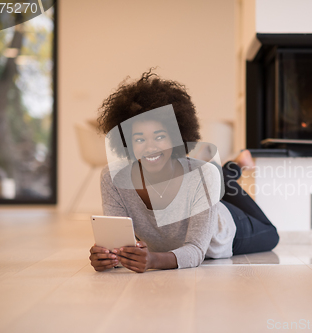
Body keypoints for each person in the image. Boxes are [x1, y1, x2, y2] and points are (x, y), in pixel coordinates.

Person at [89, 71, 279, 273]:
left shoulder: (203, 178)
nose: (150, 147)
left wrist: (153, 261)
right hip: (201, 186)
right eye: (139, 139)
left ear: (176, 136)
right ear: (127, 143)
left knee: (271, 234)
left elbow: (197, 250)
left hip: (225, 230)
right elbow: (119, 247)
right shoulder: (113, 178)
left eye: (160, 136)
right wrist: (107, 257)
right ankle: (227, 171)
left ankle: (231, 170)